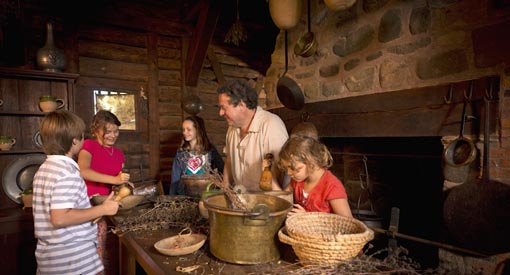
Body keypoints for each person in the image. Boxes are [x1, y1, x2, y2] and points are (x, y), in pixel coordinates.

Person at [32, 110, 120, 275]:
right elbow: (60, 217)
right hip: (73, 258)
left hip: (51, 257)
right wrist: (104, 209)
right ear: (74, 141)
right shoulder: (67, 172)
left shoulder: (44, 169)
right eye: (82, 135)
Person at [77, 110, 130, 273]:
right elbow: (83, 171)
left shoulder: (119, 154)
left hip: (110, 206)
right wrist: (114, 179)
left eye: (116, 131)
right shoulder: (88, 146)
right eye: (108, 132)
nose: (113, 135)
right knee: (93, 251)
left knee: (109, 250)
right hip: (89, 205)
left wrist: (124, 184)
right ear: (96, 131)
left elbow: (117, 181)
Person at [217, 79, 289, 192]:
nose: (220, 113)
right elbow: (229, 159)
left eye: (224, 108)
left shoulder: (271, 125)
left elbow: (283, 170)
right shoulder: (232, 128)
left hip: (267, 202)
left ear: (241, 105)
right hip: (240, 199)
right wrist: (225, 188)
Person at [279, 136, 353, 218]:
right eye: (287, 168)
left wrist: (307, 216)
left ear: (311, 162)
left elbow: (348, 222)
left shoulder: (332, 187)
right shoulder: (296, 180)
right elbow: (281, 200)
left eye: (294, 168)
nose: (289, 173)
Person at [169, 116, 224, 195]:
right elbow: (175, 178)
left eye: (189, 129)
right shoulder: (181, 153)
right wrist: (172, 198)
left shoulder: (210, 150)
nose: (185, 132)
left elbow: (221, 171)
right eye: (183, 130)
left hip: (206, 194)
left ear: (197, 130)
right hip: (185, 195)